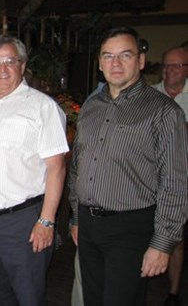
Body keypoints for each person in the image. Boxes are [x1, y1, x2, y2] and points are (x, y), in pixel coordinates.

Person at [68, 27, 188, 306]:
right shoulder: (90, 107)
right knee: (93, 300)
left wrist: (162, 243)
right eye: (108, 56)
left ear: (141, 61)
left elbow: (176, 182)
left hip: (131, 227)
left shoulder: (164, 111)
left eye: (125, 55)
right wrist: (76, 216)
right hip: (88, 224)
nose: (116, 63)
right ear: (99, 63)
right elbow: (77, 167)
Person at [0, 35, 69, 306]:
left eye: (10, 61)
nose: (3, 69)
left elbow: (57, 168)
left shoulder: (43, 107)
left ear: (22, 65)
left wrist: (46, 221)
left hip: (24, 223)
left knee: (28, 297)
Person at [152, 45, 188, 306]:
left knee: (176, 234)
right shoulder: (149, 95)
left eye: (176, 65)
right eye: (166, 65)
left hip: (182, 178)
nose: (169, 71)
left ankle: (173, 292)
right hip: (150, 178)